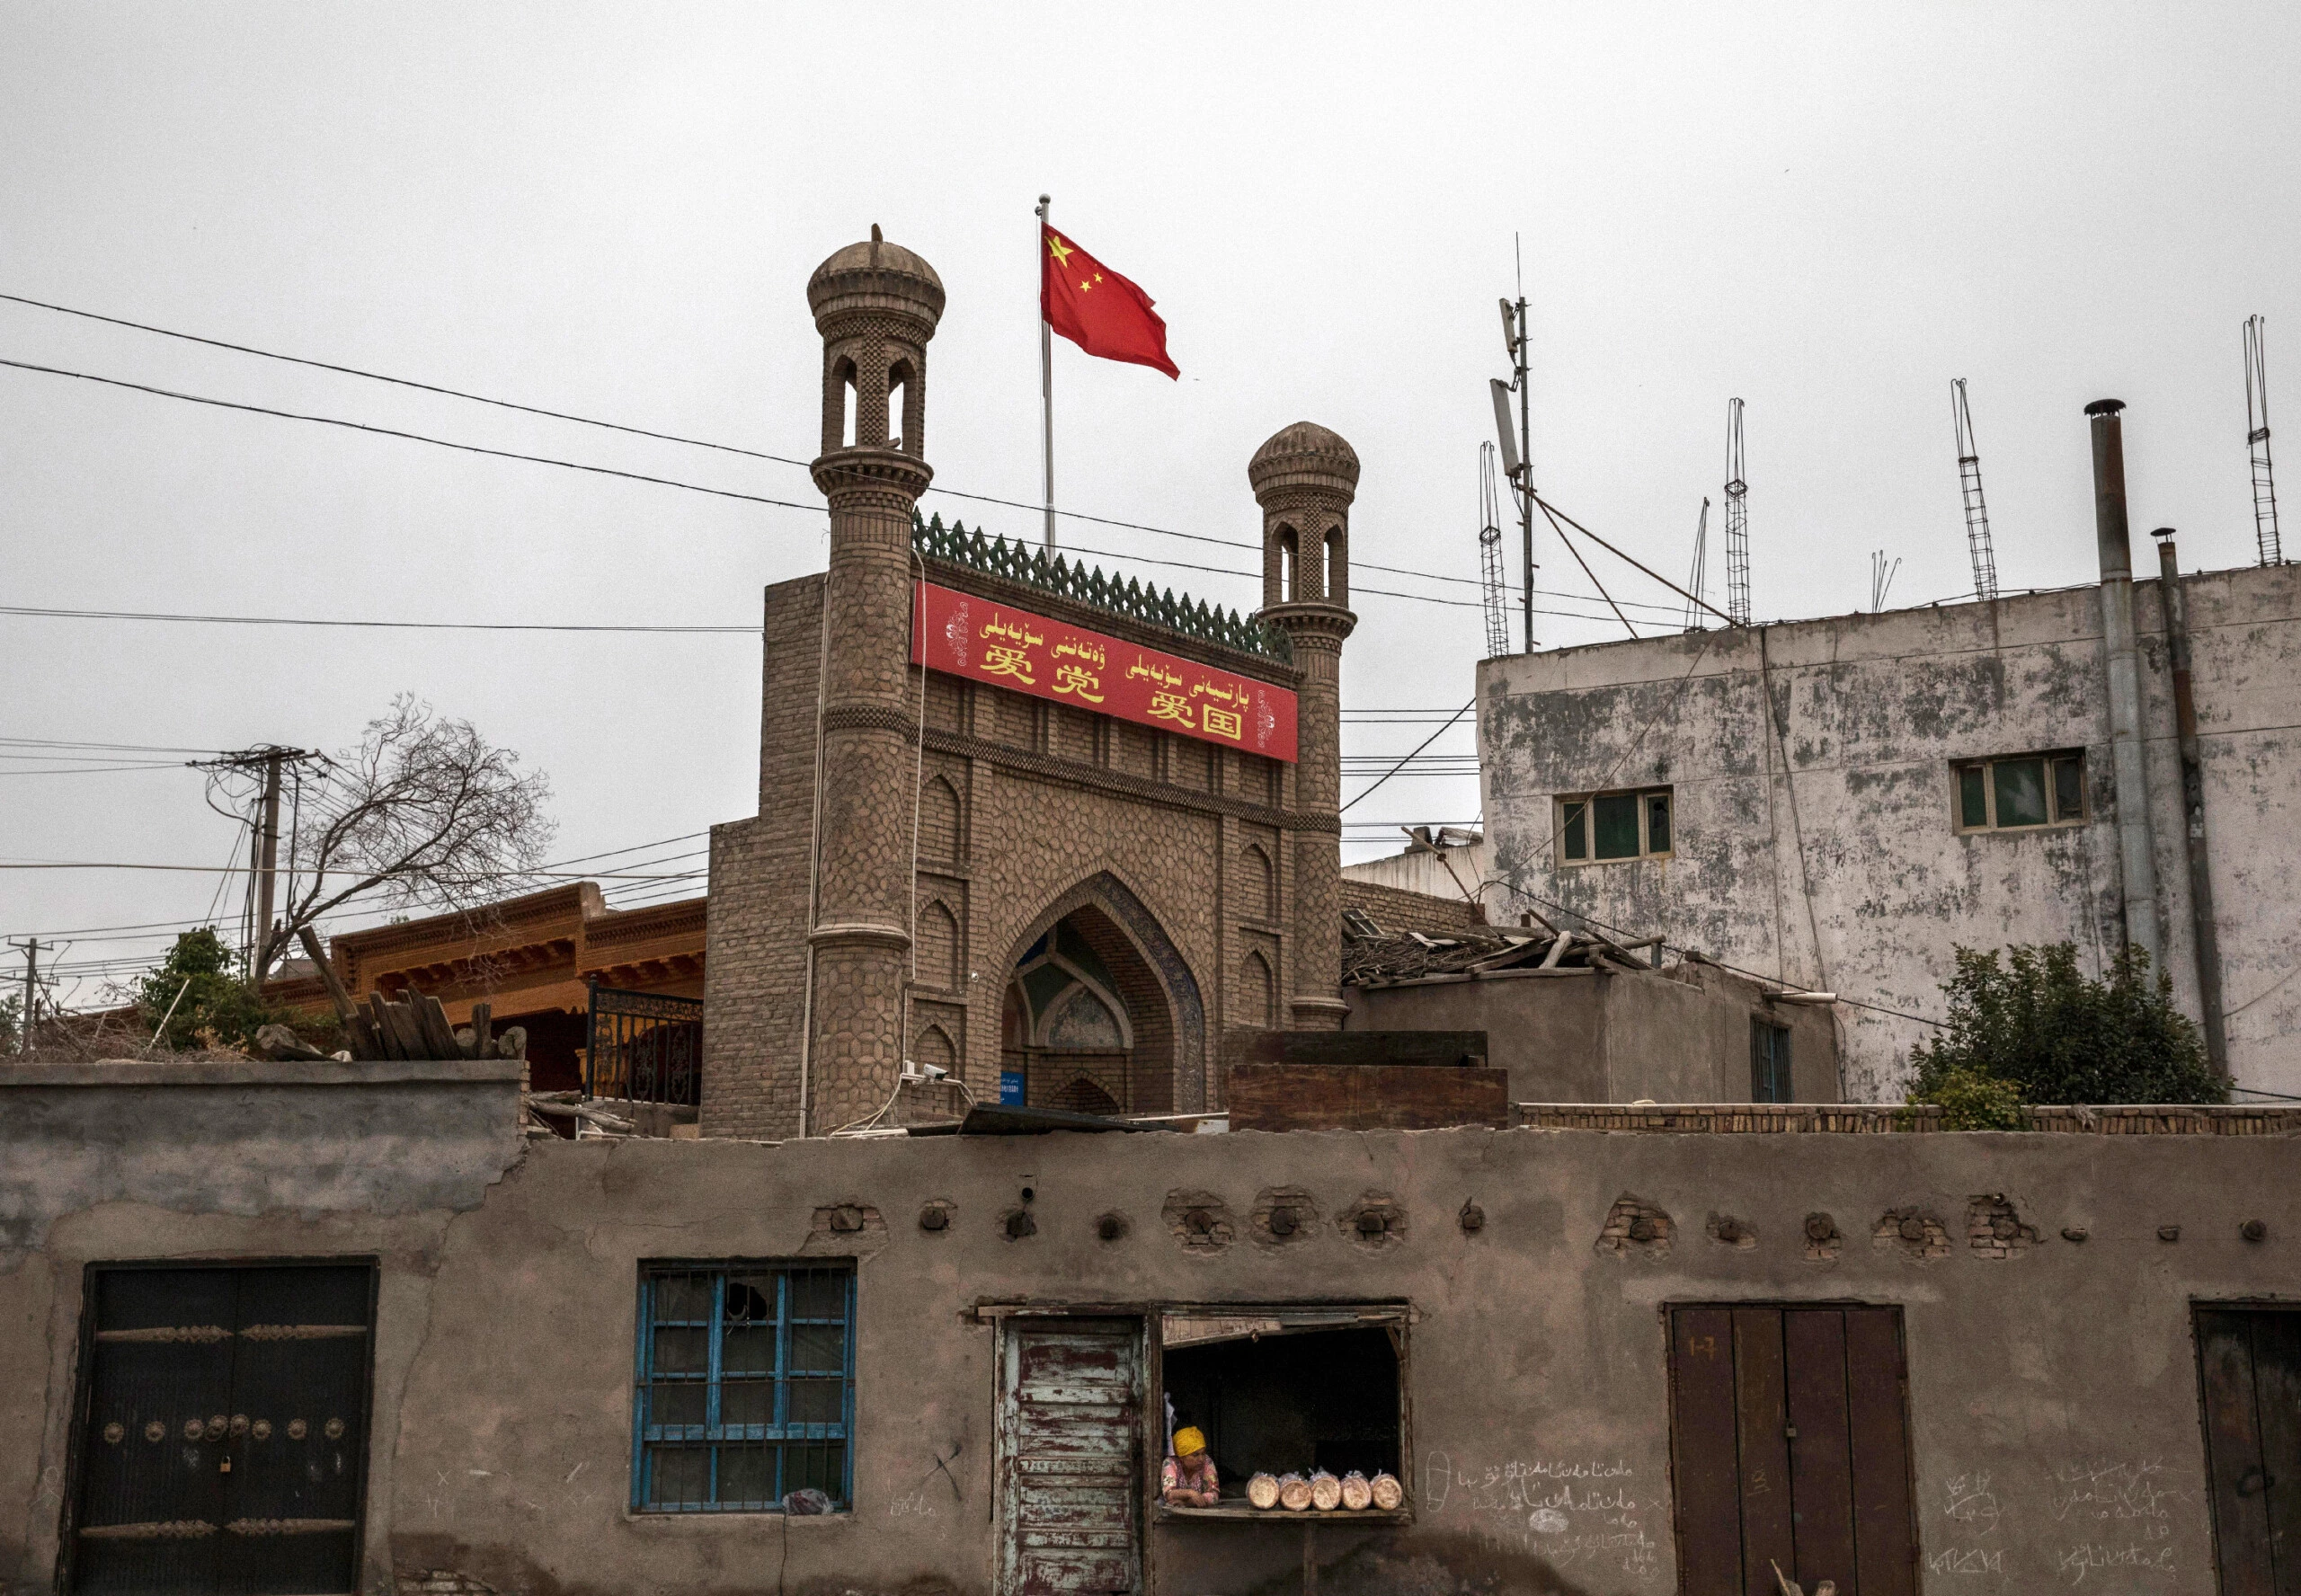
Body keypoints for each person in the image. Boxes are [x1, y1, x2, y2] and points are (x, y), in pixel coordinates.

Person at [1161, 1426, 1221, 1507]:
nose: (1201, 1459)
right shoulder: (1171, 1463)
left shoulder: (1207, 1462)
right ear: (1182, 1457)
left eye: (1203, 1453)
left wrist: (1189, 1503)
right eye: (1195, 1455)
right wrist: (1190, 1493)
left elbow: (1214, 1495)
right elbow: (1168, 1493)